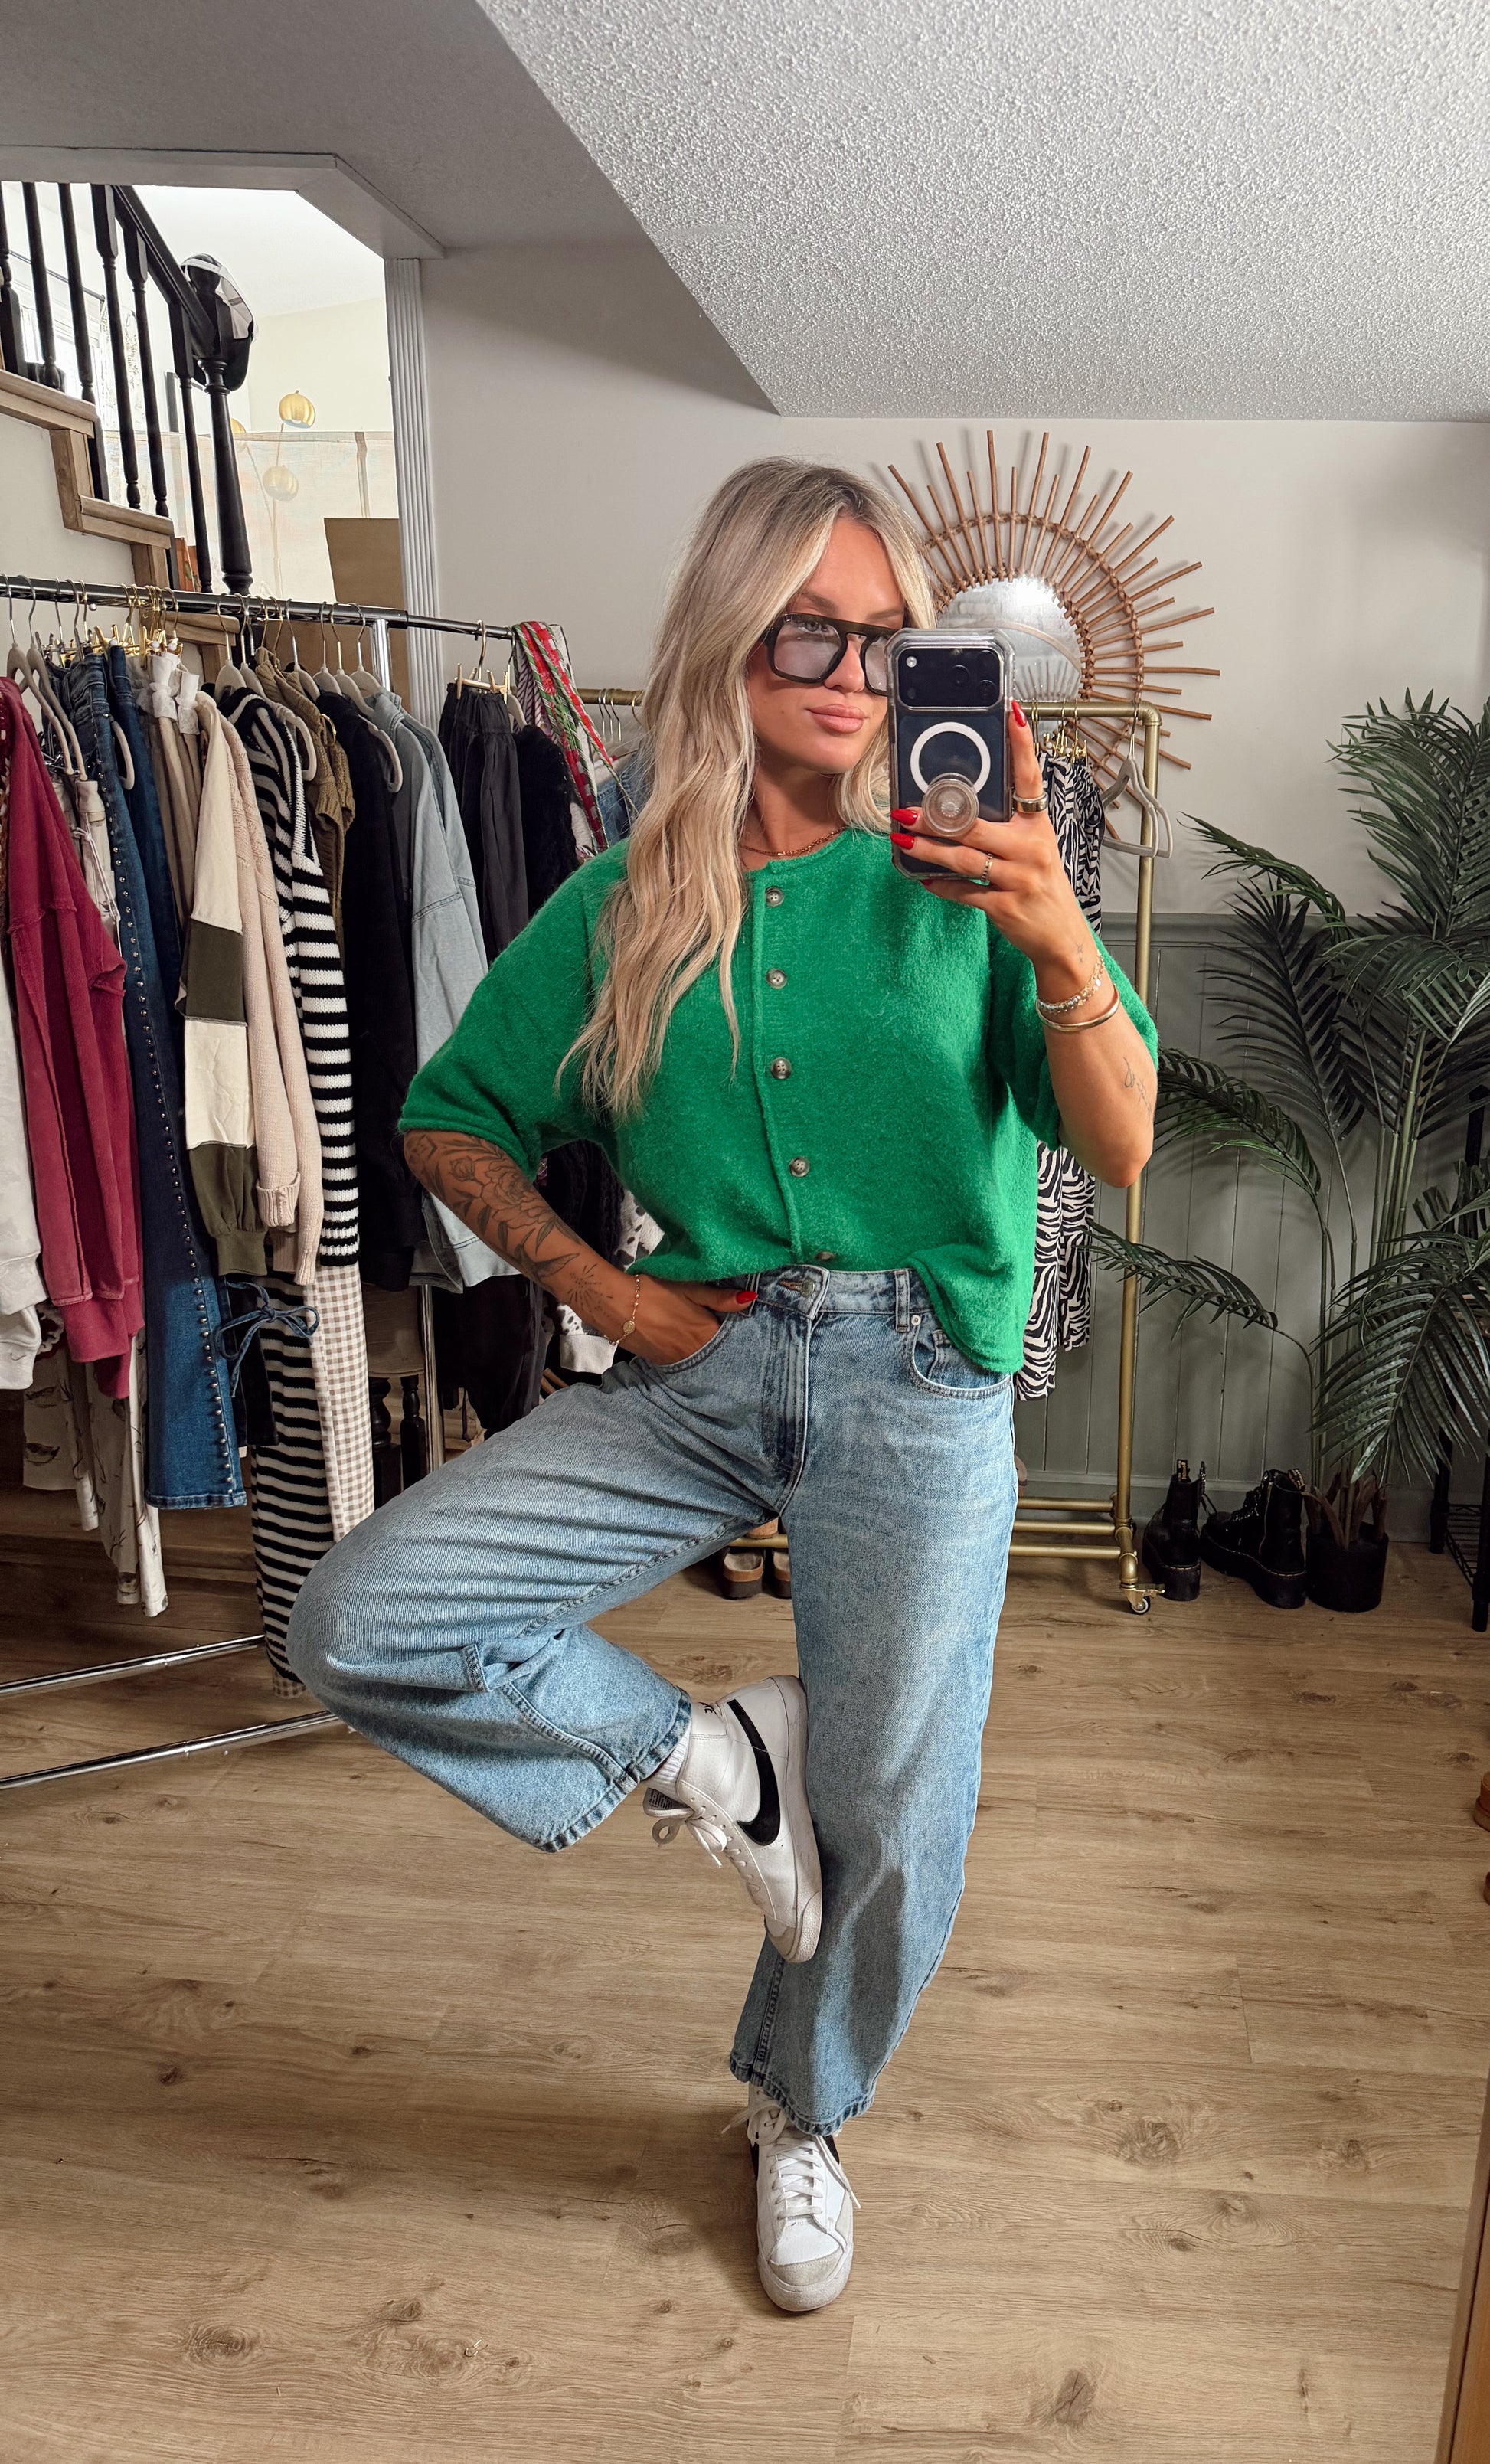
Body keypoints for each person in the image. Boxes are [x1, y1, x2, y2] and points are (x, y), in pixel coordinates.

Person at [287, 458, 1157, 2313]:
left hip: (918, 1381)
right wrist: (604, 1287)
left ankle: (800, 2107)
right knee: (359, 1614)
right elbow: (448, 1119)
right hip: (701, 1358)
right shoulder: (623, 902)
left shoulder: (967, 876)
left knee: (895, 1813)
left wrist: (1056, 930)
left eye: (884, 637)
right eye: (805, 631)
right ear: (728, 641)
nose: (851, 674)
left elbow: (1123, 1141)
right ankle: (709, 1759)